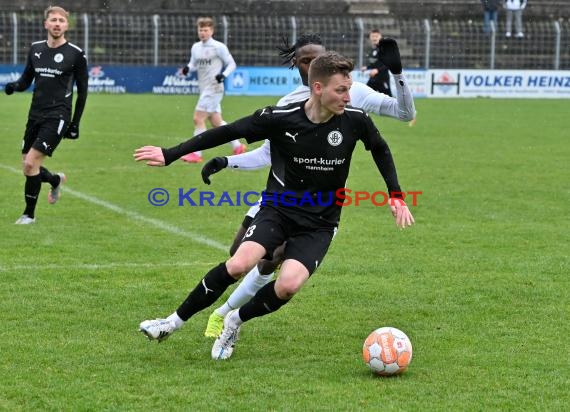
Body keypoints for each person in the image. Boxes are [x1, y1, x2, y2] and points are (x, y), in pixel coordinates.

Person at [134, 51, 415, 360]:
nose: (348, 96)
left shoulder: (355, 121)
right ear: (318, 88)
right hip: (278, 210)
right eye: (341, 90)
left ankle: (234, 320)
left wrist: (395, 194)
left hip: (321, 222)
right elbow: (228, 132)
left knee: (288, 286)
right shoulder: (280, 118)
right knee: (239, 263)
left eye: (349, 89)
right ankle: (171, 322)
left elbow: (380, 149)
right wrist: (171, 153)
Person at [200, 33, 416, 339]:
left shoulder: (353, 93)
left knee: (272, 263)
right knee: (241, 256)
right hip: (280, 197)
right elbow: (266, 154)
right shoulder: (288, 103)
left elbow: (406, 113)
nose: (312, 64)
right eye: (305, 60)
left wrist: (397, 74)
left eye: (318, 58)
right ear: (297, 65)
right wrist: (227, 161)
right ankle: (226, 312)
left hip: (317, 207)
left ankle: (224, 316)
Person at [4, 5, 88, 224]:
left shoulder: (76, 54)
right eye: (53, 20)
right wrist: (14, 86)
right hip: (35, 114)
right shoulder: (35, 49)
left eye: (61, 20)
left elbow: (83, 92)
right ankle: (55, 180)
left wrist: (75, 123)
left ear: (67, 25)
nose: (57, 23)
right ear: (46, 24)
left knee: (30, 164)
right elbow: (25, 80)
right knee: (28, 165)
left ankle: (28, 215)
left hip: (58, 115)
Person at [179, 16, 246, 163]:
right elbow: (193, 64)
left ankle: (196, 154)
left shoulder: (218, 47)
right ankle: (238, 147)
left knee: (198, 118)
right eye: (200, 30)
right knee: (216, 122)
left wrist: (223, 75)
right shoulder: (196, 47)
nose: (202, 33)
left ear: (212, 31)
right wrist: (187, 69)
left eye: (205, 30)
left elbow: (231, 64)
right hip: (204, 88)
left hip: (214, 88)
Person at [361, 29, 392, 96]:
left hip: (383, 79)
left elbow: (388, 63)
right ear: (370, 38)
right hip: (374, 78)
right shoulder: (373, 50)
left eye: (376, 36)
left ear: (380, 37)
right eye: (372, 36)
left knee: (388, 98)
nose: (374, 38)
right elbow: (375, 64)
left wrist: (377, 70)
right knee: (365, 95)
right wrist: (367, 67)